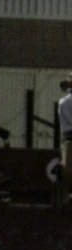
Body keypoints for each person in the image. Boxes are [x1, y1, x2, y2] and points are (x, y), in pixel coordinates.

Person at [58, 74, 72, 209]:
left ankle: (65, 195)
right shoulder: (66, 102)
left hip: (68, 136)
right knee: (67, 167)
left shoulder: (64, 102)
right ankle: (65, 195)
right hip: (70, 137)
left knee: (67, 167)